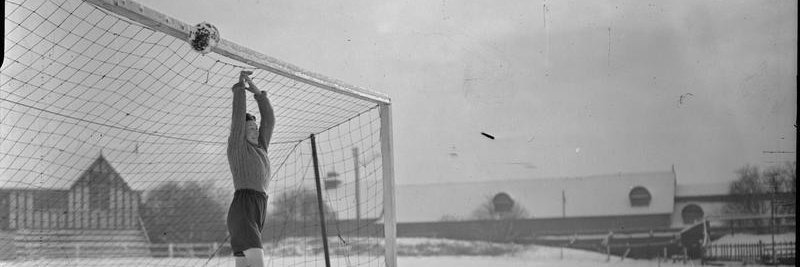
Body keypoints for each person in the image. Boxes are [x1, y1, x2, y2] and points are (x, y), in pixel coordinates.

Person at [227, 71, 275, 267]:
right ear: (242, 133)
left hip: (258, 209)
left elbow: (269, 120)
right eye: (251, 128)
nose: (256, 130)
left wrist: (258, 93)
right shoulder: (238, 147)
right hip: (244, 209)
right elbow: (238, 119)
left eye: (256, 127)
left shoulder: (261, 147)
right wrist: (240, 90)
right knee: (257, 264)